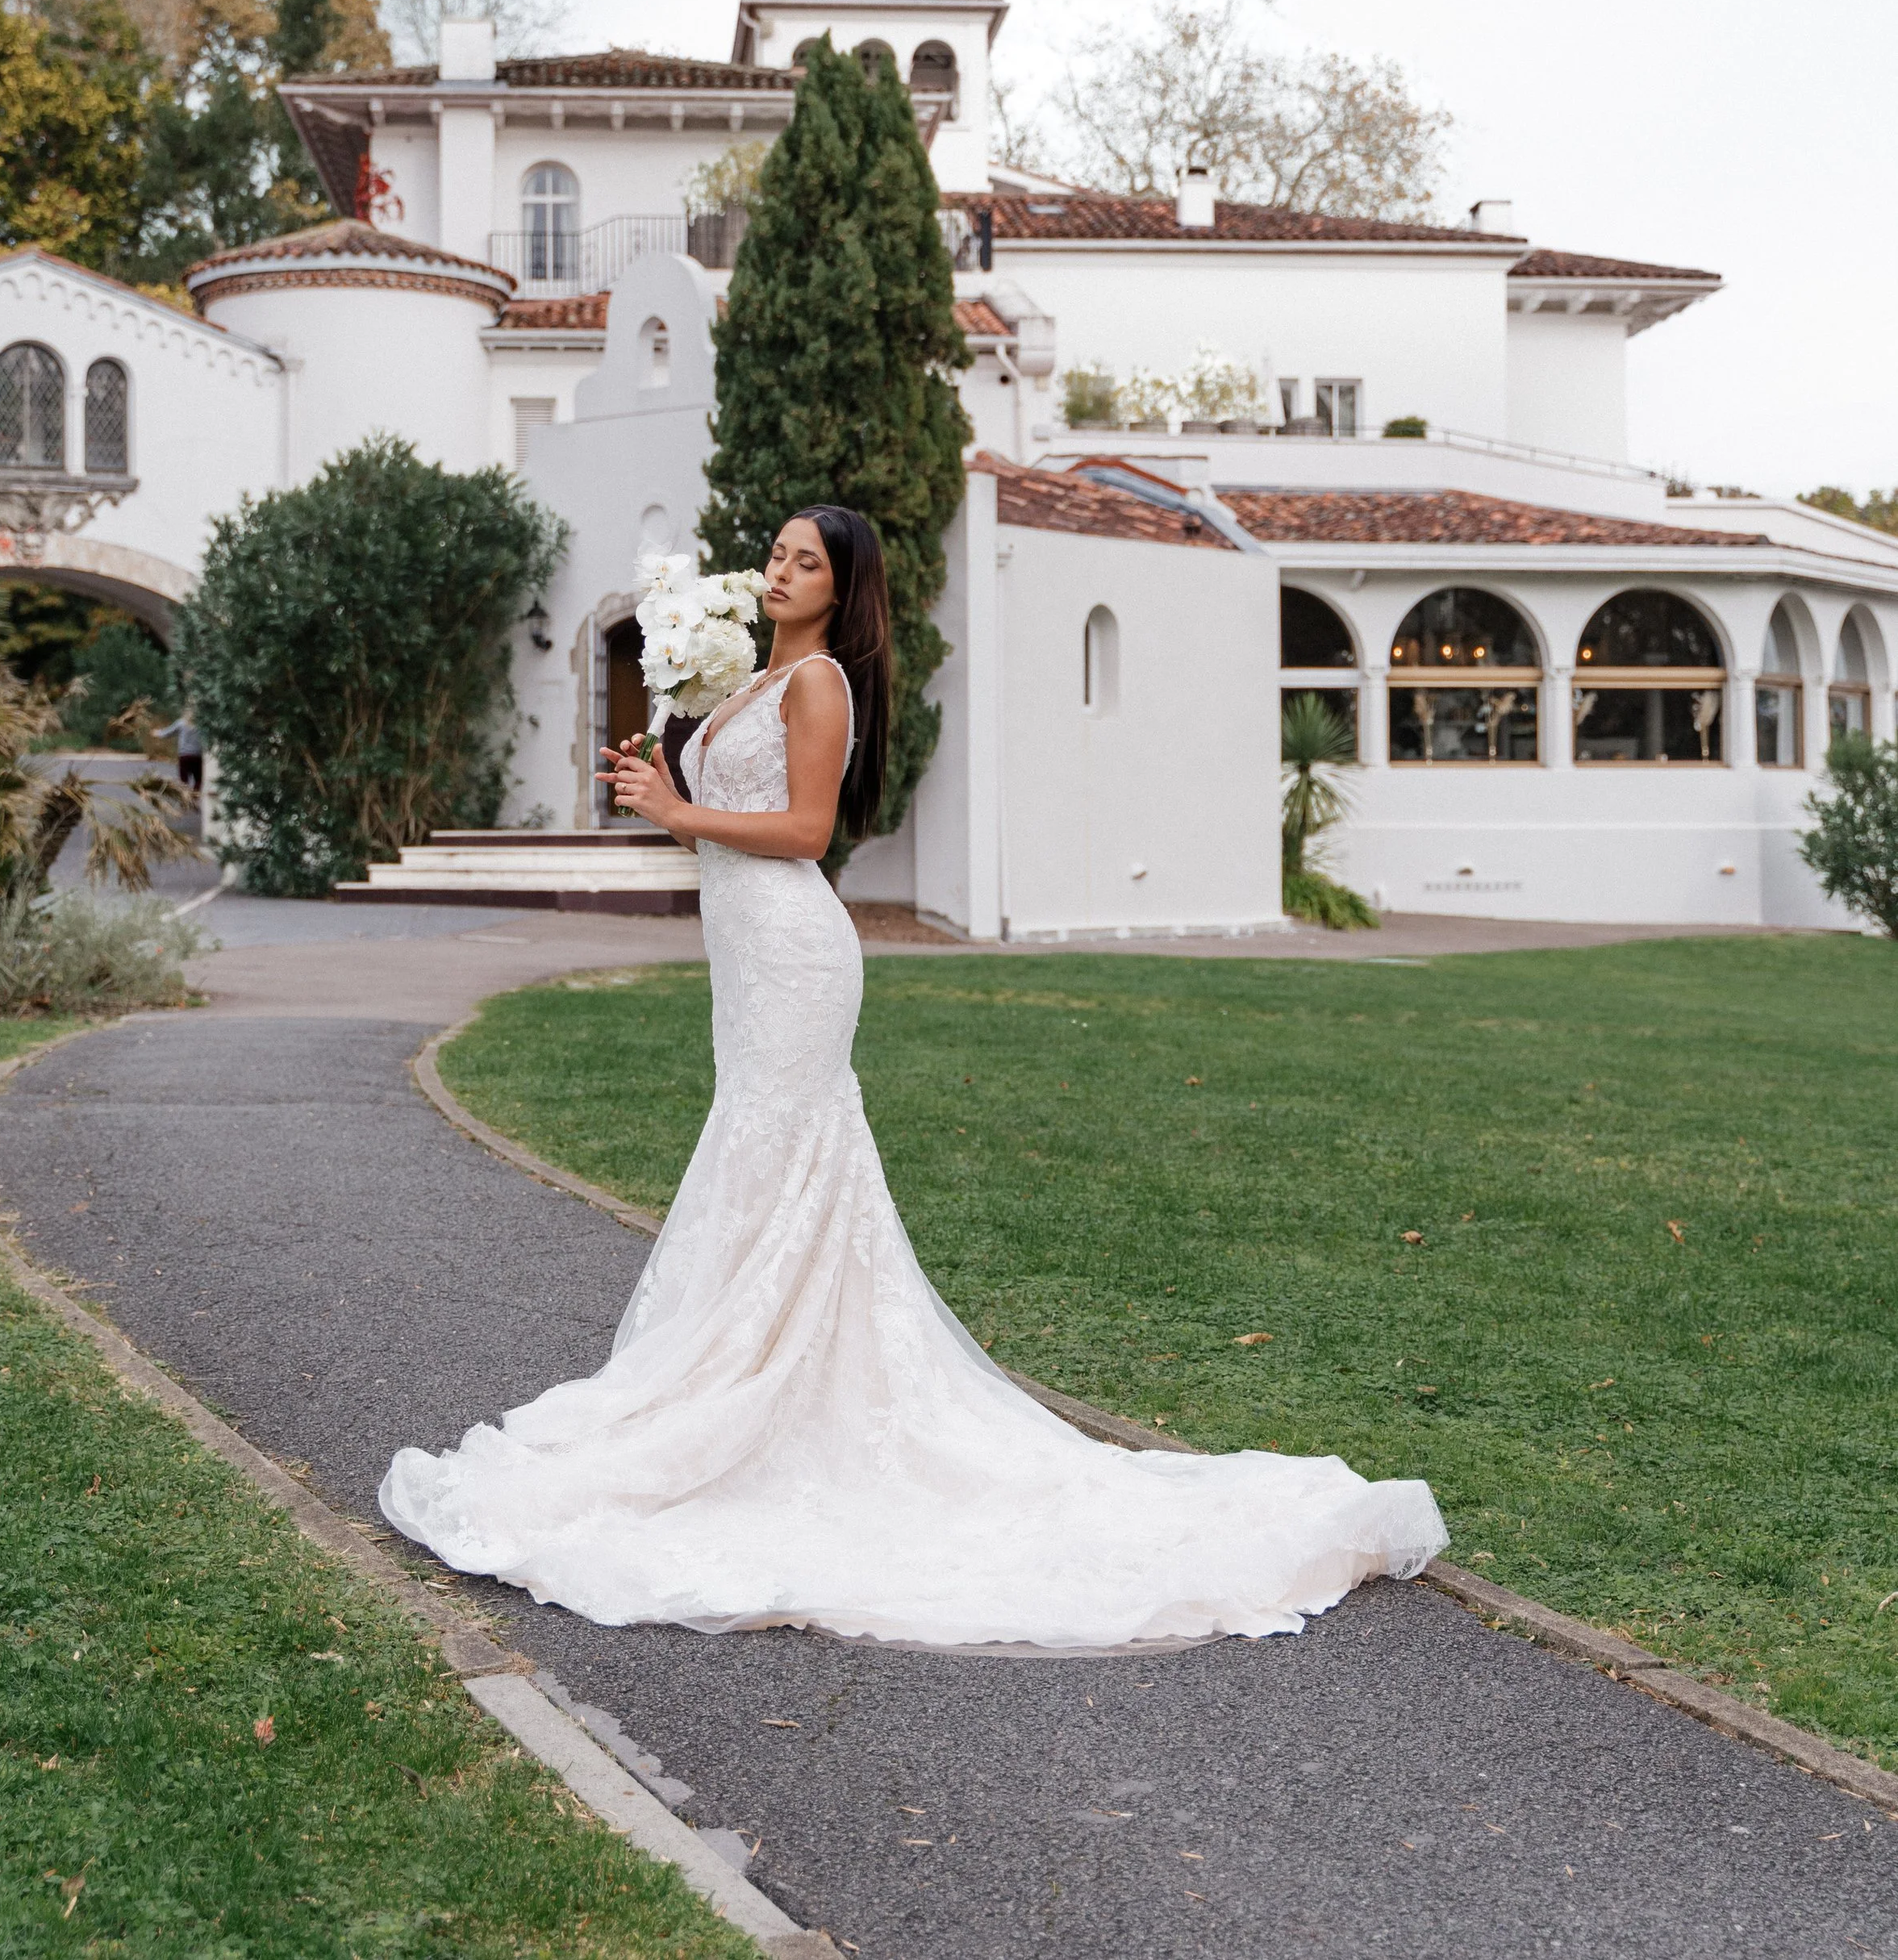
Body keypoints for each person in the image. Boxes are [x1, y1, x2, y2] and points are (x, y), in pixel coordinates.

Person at [379, 507, 1445, 1651]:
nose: (780, 572)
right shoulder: (746, 679)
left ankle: (748, 1395)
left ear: (843, 590)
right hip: (743, 956)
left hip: (795, 953)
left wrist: (679, 810)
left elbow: (804, 829)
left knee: (776, 1154)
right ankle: (756, 1386)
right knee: (769, 1157)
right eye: (778, 555)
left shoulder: (822, 684)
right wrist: (665, 780)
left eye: (806, 563)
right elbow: (726, 819)